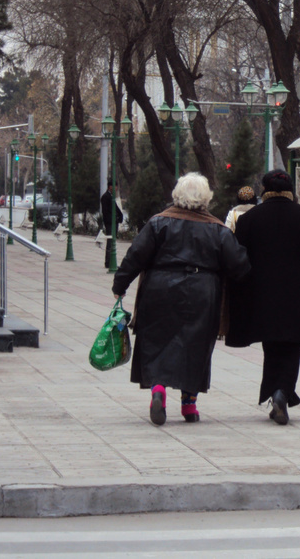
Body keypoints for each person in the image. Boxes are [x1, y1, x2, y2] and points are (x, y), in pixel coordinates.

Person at [111, 173, 250, 426]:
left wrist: (120, 285)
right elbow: (239, 266)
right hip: (202, 291)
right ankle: (189, 404)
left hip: (159, 288)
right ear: (206, 198)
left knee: (157, 340)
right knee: (196, 345)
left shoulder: (157, 223)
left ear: (176, 194)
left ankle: (158, 390)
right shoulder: (217, 228)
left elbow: (135, 256)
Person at [226, 169, 300, 426]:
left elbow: (238, 259)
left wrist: (235, 292)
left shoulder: (250, 218)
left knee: (271, 345)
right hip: (299, 294)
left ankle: (275, 391)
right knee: (292, 346)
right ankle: (282, 393)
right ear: (290, 190)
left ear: (265, 190)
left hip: (261, 295)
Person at [100, 179, 124, 268]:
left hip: (114, 222)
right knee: (110, 241)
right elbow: (106, 212)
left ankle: (110, 261)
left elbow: (116, 209)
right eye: (115, 186)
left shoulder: (111, 196)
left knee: (112, 241)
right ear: (110, 187)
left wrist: (119, 217)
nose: (116, 188)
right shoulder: (106, 197)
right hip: (110, 223)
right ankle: (108, 262)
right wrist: (113, 219)